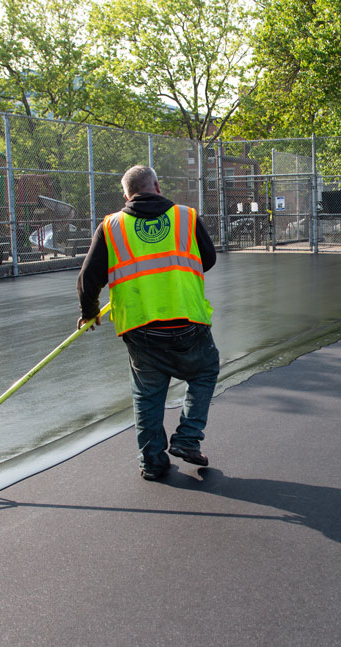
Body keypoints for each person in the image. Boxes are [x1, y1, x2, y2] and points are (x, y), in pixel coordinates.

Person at [77, 165, 219, 480]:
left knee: (147, 394)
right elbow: (208, 259)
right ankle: (188, 438)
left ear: (126, 194)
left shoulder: (111, 226)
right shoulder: (186, 217)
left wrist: (89, 311)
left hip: (140, 328)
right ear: (157, 185)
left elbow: (88, 280)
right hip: (188, 321)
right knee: (205, 371)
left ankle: (153, 462)